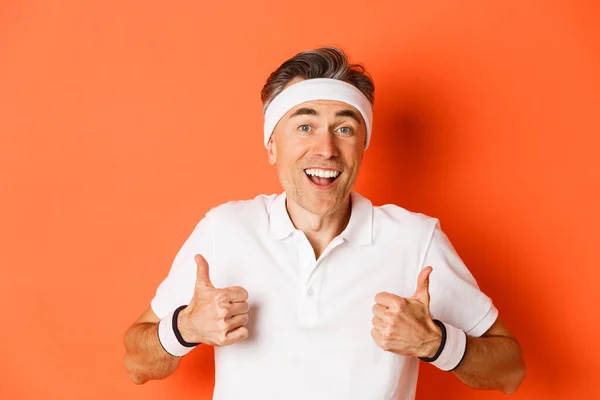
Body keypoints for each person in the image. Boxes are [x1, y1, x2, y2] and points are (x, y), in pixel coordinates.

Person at [123, 46, 526, 399]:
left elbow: (510, 372)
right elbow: (136, 362)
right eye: (305, 126)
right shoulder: (224, 230)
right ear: (271, 146)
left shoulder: (415, 240)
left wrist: (437, 342)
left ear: (362, 148)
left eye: (345, 129)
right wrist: (185, 329)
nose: (326, 148)